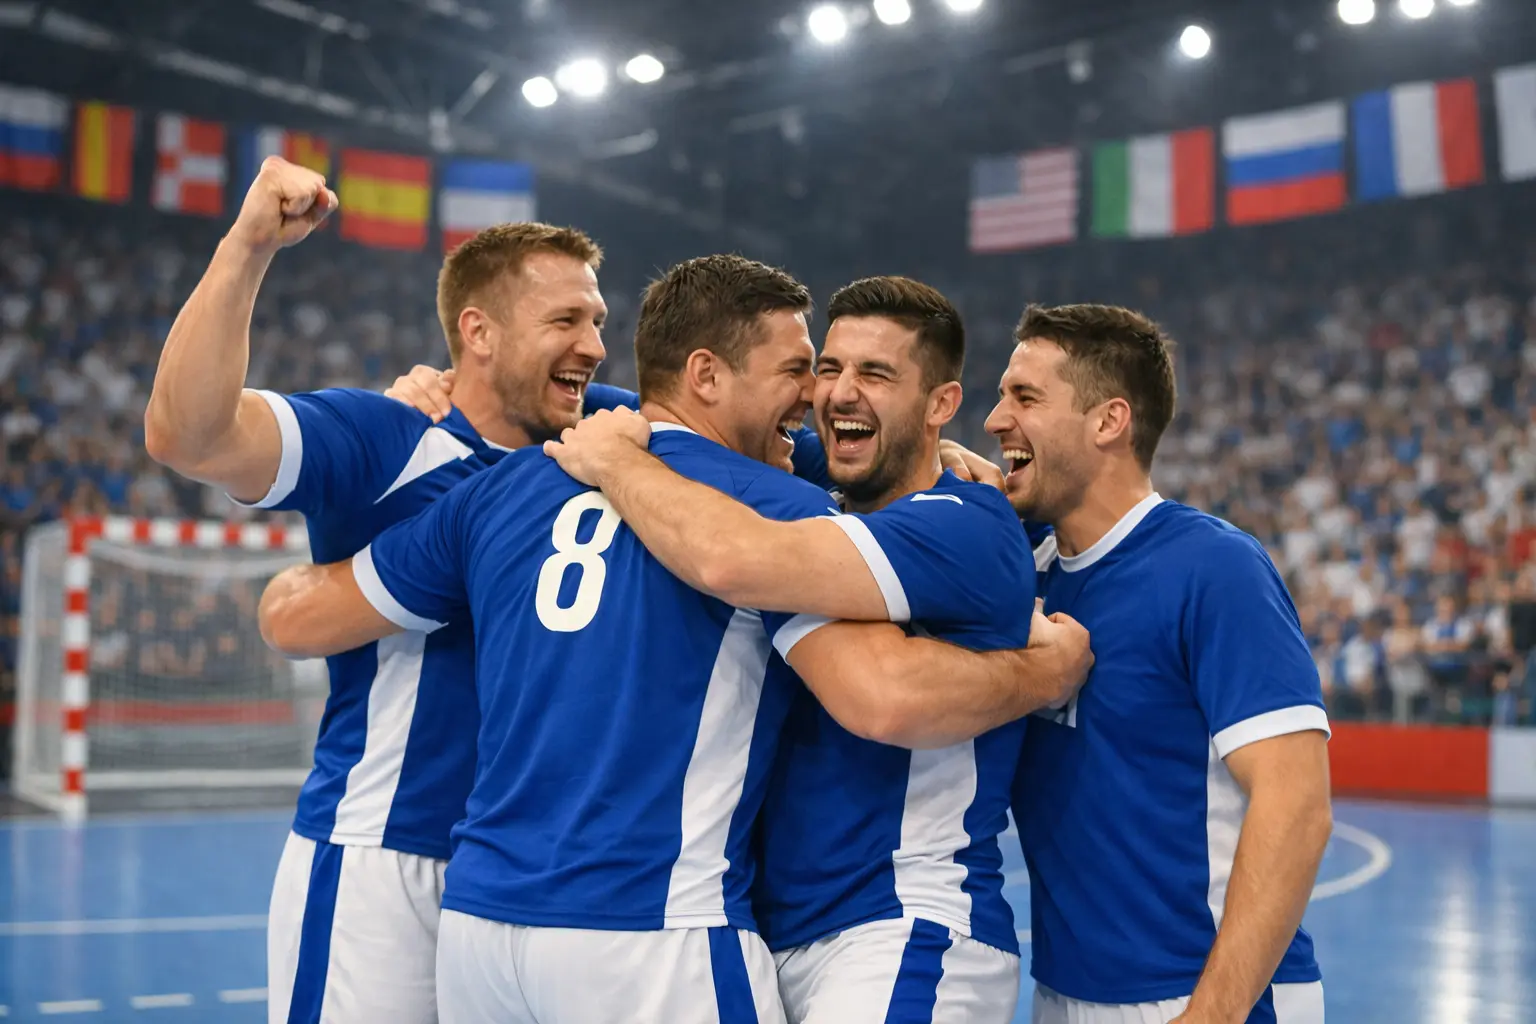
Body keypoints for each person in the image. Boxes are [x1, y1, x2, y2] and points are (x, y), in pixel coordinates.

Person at [256, 256, 1090, 1023]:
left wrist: (482, 404)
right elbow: (872, 688)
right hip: (652, 920)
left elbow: (292, 618)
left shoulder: (509, 483)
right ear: (707, 375)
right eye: (806, 370)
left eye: (860, 374)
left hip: (479, 930)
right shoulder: (774, 511)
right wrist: (1041, 673)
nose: (815, 398)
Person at [143, 155, 611, 1023]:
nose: (593, 343)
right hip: (381, 864)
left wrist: (931, 463)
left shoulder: (597, 441)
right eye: (566, 319)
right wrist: (250, 245)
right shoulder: (388, 436)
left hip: (529, 879)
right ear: (478, 332)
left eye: (597, 320)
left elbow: (737, 417)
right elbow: (187, 432)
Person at [544, 276, 1073, 1023]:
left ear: (940, 405)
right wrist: (446, 388)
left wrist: (620, 463)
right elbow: (674, 411)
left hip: (900, 929)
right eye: (828, 369)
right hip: (770, 934)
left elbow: (747, 570)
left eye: (877, 375)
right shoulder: (810, 491)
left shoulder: (964, 524)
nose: (839, 393)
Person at [984, 303, 1333, 1024]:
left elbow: (1296, 806)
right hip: (1062, 994)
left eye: (1024, 396)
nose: (994, 419)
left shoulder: (1214, 567)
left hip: (1210, 996)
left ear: (1109, 421)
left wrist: (1214, 1013)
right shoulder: (1022, 574)